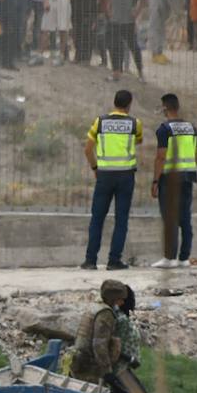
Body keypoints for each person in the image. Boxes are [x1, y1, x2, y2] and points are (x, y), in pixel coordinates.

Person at [70, 280, 148, 393]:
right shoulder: (106, 314)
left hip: (83, 365)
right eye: (120, 299)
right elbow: (99, 344)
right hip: (91, 368)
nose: (122, 302)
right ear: (113, 299)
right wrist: (107, 371)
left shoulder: (97, 308)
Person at [82, 89, 144, 270]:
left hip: (104, 175)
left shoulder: (100, 122)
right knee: (121, 219)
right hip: (126, 176)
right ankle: (114, 260)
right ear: (129, 104)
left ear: (114, 102)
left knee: (97, 218)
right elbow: (138, 141)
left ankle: (90, 260)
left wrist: (95, 168)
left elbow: (87, 149)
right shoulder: (135, 123)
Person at [150, 93, 197, 268]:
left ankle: (169, 258)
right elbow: (195, 155)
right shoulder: (192, 128)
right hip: (187, 177)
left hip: (169, 179)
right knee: (185, 217)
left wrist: (155, 181)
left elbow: (161, 157)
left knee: (170, 218)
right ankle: (184, 258)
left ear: (165, 107)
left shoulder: (164, 129)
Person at [110, 285, 150, 393]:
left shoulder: (121, 316)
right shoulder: (118, 319)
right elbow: (110, 344)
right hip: (120, 372)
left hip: (122, 370)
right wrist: (129, 358)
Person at [105, 0, 144, 81]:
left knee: (134, 47)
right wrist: (109, 9)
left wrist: (137, 12)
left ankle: (141, 73)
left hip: (128, 21)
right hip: (115, 21)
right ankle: (116, 72)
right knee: (114, 47)